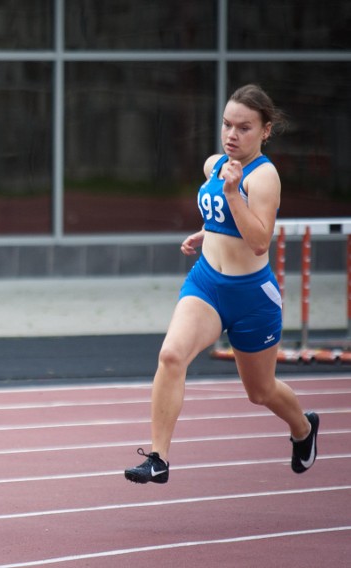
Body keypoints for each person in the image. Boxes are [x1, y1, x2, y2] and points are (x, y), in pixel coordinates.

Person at [124, 84, 319, 484]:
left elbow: (260, 240)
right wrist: (206, 231)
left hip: (251, 297)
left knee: (260, 392)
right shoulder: (215, 163)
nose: (232, 135)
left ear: (265, 131)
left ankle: (303, 427)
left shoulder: (264, 177)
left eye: (244, 128)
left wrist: (233, 194)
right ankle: (158, 458)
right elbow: (220, 214)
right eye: (227, 125)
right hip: (208, 283)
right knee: (171, 356)